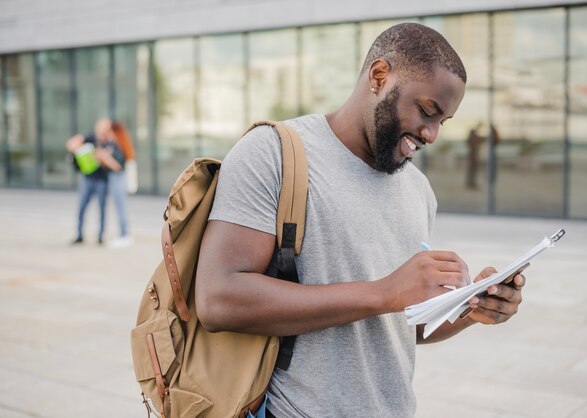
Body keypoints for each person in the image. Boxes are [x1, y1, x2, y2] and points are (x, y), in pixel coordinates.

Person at [195, 23, 526, 417]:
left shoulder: (419, 190)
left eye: (444, 121)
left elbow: (398, 325)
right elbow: (219, 300)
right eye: (426, 111)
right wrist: (385, 291)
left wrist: (471, 310)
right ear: (379, 76)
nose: (433, 134)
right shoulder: (273, 153)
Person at [66, 118, 122, 245]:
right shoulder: (89, 138)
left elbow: (116, 166)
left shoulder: (110, 144)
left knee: (102, 208)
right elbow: (71, 144)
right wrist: (82, 148)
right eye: (102, 128)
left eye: (106, 128)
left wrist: (103, 156)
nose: (103, 131)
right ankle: (79, 234)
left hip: (102, 180)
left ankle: (101, 236)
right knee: (82, 207)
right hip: (88, 179)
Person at [107, 121, 137, 249]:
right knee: (120, 207)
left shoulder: (118, 146)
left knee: (121, 207)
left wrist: (105, 157)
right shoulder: (118, 145)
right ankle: (123, 234)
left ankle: (124, 235)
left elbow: (117, 166)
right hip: (117, 178)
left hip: (118, 178)